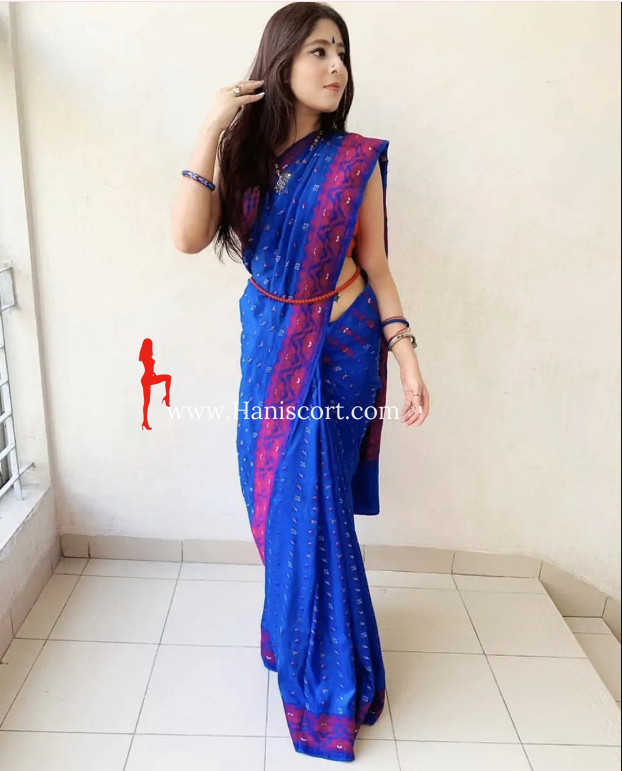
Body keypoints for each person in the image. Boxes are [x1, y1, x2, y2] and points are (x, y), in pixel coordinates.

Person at [172, 2, 430, 762]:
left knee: (314, 510)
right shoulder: (244, 154)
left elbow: (376, 266)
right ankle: (294, 627)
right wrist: (211, 127)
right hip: (269, 346)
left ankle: (330, 688)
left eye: (341, 51)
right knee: (272, 504)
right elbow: (188, 237)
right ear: (280, 60)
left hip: (343, 350)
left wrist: (407, 357)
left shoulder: (355, 159)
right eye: (318, 50)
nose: (335, 65)